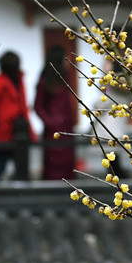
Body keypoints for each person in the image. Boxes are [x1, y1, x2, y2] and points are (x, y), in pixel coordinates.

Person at [0, 51, 36, 182]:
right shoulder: (1, 83)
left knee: (15, 165)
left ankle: (1, 190)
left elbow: (22, 106)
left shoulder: (17, 80)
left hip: (17, 129)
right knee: (4, 164)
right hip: (5, 131)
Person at [34, 46, 77, 181]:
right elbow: (38, 106)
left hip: (67, 128)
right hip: (53, 130)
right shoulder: (45, 81)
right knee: (53, 162)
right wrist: (51, 121)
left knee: (67, 162)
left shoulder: (65, 78)